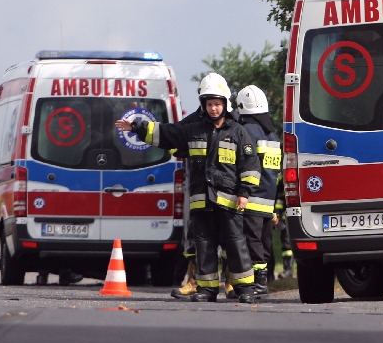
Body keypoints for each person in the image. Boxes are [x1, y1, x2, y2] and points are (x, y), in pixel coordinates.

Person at [115, 72, 262, 303]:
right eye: (209, 104)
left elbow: (250, 166)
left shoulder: (238, 132)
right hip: (202, 200)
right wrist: (136, 127)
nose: (213, 108)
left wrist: (244, 193)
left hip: (229, 202)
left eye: (217, 104)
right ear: (203, 105)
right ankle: (207, 289)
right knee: (204, 245)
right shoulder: (193, 129)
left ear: (225, 104)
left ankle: (245, 289)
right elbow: (166, 133)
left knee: (236, 244)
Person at [234, 85, 282, 298]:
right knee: (264, 241)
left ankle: (257, 284)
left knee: (251, 241)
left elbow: (243, 164)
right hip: (268, 200)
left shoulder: (245, 131)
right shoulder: (273, 135)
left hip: (251, 197)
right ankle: (263, 282)